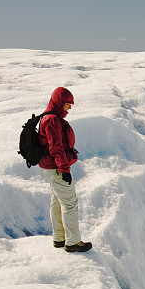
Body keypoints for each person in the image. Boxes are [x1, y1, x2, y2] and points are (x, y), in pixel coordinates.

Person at [38, 87, 92, 253]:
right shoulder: (52, 121)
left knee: (57, 201)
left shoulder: (47, 117)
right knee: (70, 204)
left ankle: (59, 238)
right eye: (67, 105)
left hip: (50, 167)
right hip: (56, 168)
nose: (69, 109)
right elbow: (56, 148)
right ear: (59, 103)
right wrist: (65, 169)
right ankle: (73, 242)